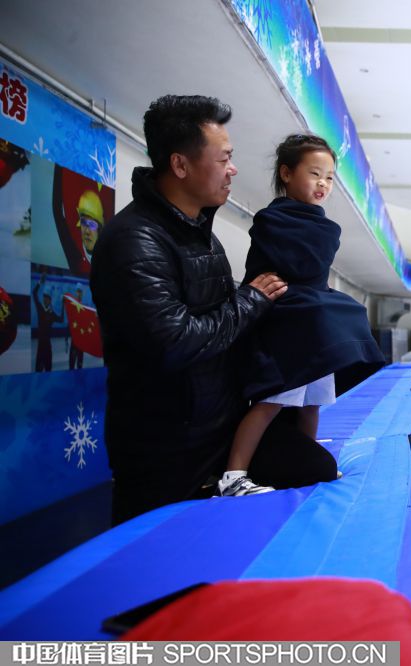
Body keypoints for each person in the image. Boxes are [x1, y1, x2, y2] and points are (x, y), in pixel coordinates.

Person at [91, 95, 335, 525]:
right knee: (166, 571)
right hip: (169, 450)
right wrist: (253, 299)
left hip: (217, 429)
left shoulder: (201, 234)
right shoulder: (134, 241)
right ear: (181, 165)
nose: (233, 169)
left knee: (314, 468)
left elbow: (226, 321)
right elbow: (174, 342)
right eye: (224, 158)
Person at [219, 134, 384, 497]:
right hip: (286, 326)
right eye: (315, 174)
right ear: (287, 174)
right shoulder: (272, 220)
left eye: (329, 177)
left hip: (310, 324)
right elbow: (291, 269)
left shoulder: (323, 226)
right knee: (270, 403)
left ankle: (305, 463)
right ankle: (233, 475)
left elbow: (314, 266)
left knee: (312, 405)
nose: (323, 183)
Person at [32, 275, 64, 372]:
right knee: (38, 371)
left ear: (50, 300)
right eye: (44, 297)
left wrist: (63, 305)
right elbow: (34, 293)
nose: (45, 299)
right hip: (40, 346)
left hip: (48, 347)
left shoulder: (52, 313)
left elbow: (61, 320)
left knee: (48, 370)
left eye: (47, 298)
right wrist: (39, 283)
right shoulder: (40, 309)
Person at [67, 287, 85, 369]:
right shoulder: (72, 307)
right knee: (71, 366)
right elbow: (69, 323)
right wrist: (66, 338)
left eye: (80, 292)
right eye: (78, 292)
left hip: (81, 343)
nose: (79, 294)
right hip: (74, 342)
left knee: (80, 366)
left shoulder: (85, 309)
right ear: (75, 293)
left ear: (82, 294)